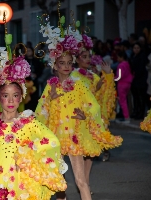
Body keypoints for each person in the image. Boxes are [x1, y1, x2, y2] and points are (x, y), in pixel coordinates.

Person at [0, 35, 67, 199]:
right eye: (5, 95)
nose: (10, 100)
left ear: (21, 97)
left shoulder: (29, 122)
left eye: (15, 95)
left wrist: (28, 158)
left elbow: (52, 142)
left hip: (21, 182)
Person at [36, 19, 123, 200]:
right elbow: (41, 113)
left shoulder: (79, 85)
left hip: (74, 136)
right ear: (55, 65)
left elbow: (93, 106)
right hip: (55, 138)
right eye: (62, 63)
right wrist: (50, 101)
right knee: (58, 183)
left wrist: (86, 116)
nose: (67, 66)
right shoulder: (50, 87)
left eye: (69, 62)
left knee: (81, 181)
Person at [130, 42, 149, 119]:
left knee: (141, 98)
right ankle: (136, 112)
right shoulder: (133, 56)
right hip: (134, 79)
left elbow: (141, 69)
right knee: (136, 97)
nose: (136, 49)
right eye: (135, 48)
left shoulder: (142, 56)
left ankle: (141, 113)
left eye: (138, 48)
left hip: (141, 80)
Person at [115, 51, 133, 123]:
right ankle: (126, 116)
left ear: (121, 57)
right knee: (125, 100)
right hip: (128, 83)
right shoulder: (127, 64)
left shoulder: (121, 65)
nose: (117, 59)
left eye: (118, 57)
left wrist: (113, 78)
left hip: (122, 84)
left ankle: (126, 117)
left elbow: (119, 76)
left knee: (123, 101)